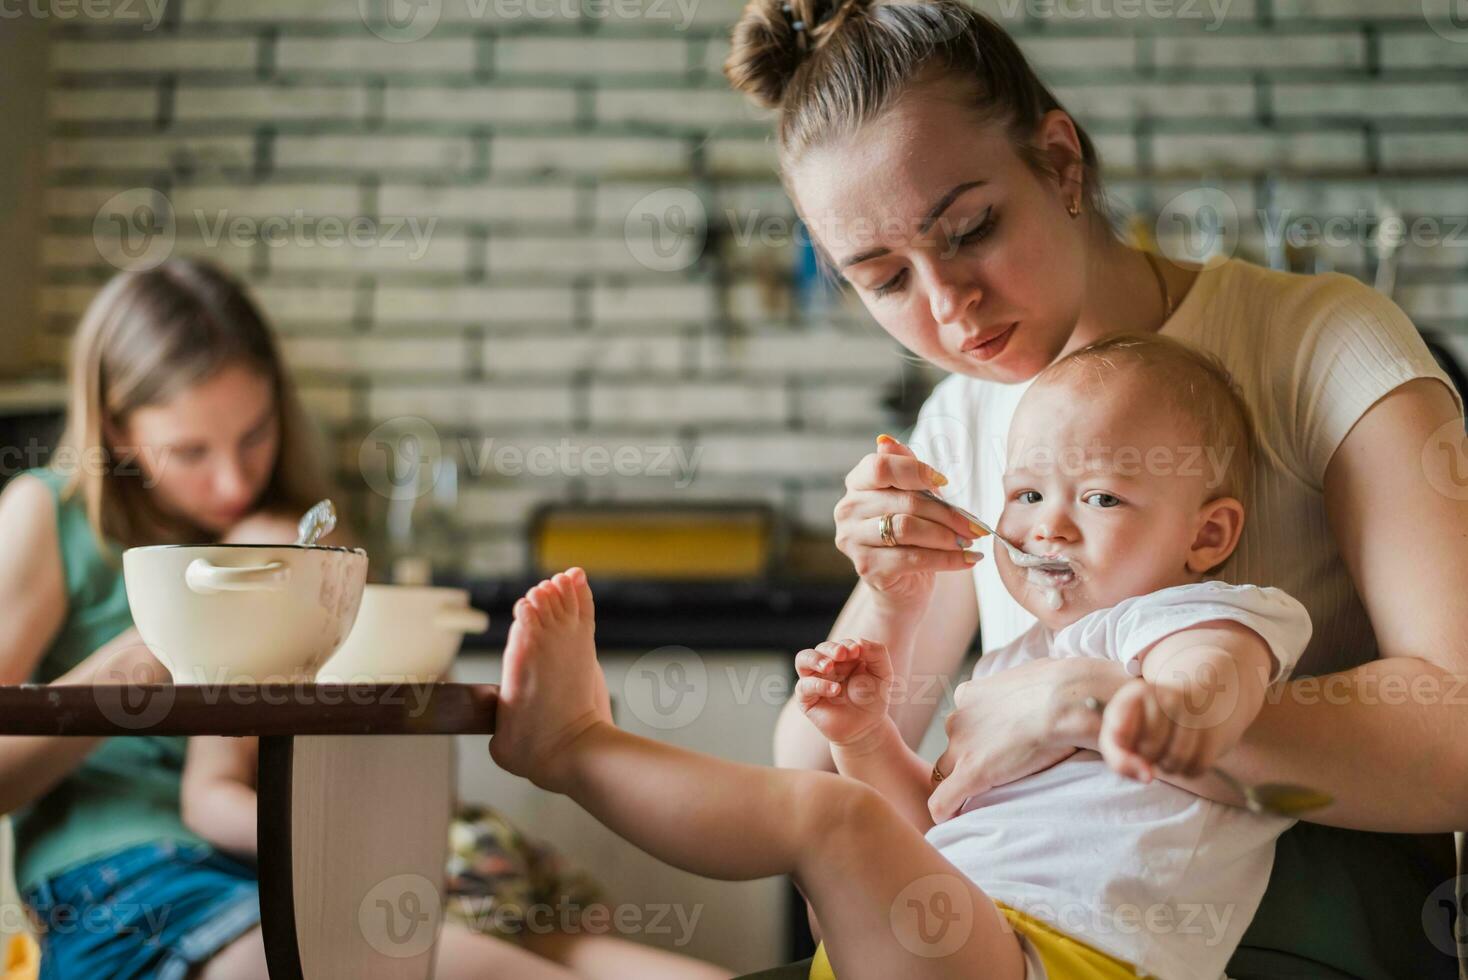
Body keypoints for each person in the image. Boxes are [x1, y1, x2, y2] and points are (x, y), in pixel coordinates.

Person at [722, 1, 1468, 974]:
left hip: (1312, 935)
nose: (949, 308)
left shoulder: (1323, 343)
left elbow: (1455, 735)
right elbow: (817, 780)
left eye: (971, 228)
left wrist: (1090, 700)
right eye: (884, 278)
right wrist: (888, 599)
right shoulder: (959, 419)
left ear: (1061, 162)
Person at [486, 335, 1314, 979]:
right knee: (845, 805)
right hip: (958, 941)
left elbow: (1218, 683)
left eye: (1100, 497)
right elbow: (934, 821)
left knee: (828, 819)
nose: (1046, 528)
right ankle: (573, 745)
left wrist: (1160, 708)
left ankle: (572, 748)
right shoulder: (1015, 664)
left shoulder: (1199, 617)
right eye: (1027, 494)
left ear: (1207, 535)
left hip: (1063, 959)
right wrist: (865, 739)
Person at [0, 259, 727, 980]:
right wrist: (171, 637)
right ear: (119, 432)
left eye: (255, 436)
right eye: (190, 451)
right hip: (129, 883)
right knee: (420, 962)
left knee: (563, 953)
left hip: (300, 855)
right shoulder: (51, 518)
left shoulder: (299, 534)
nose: (232, 479)